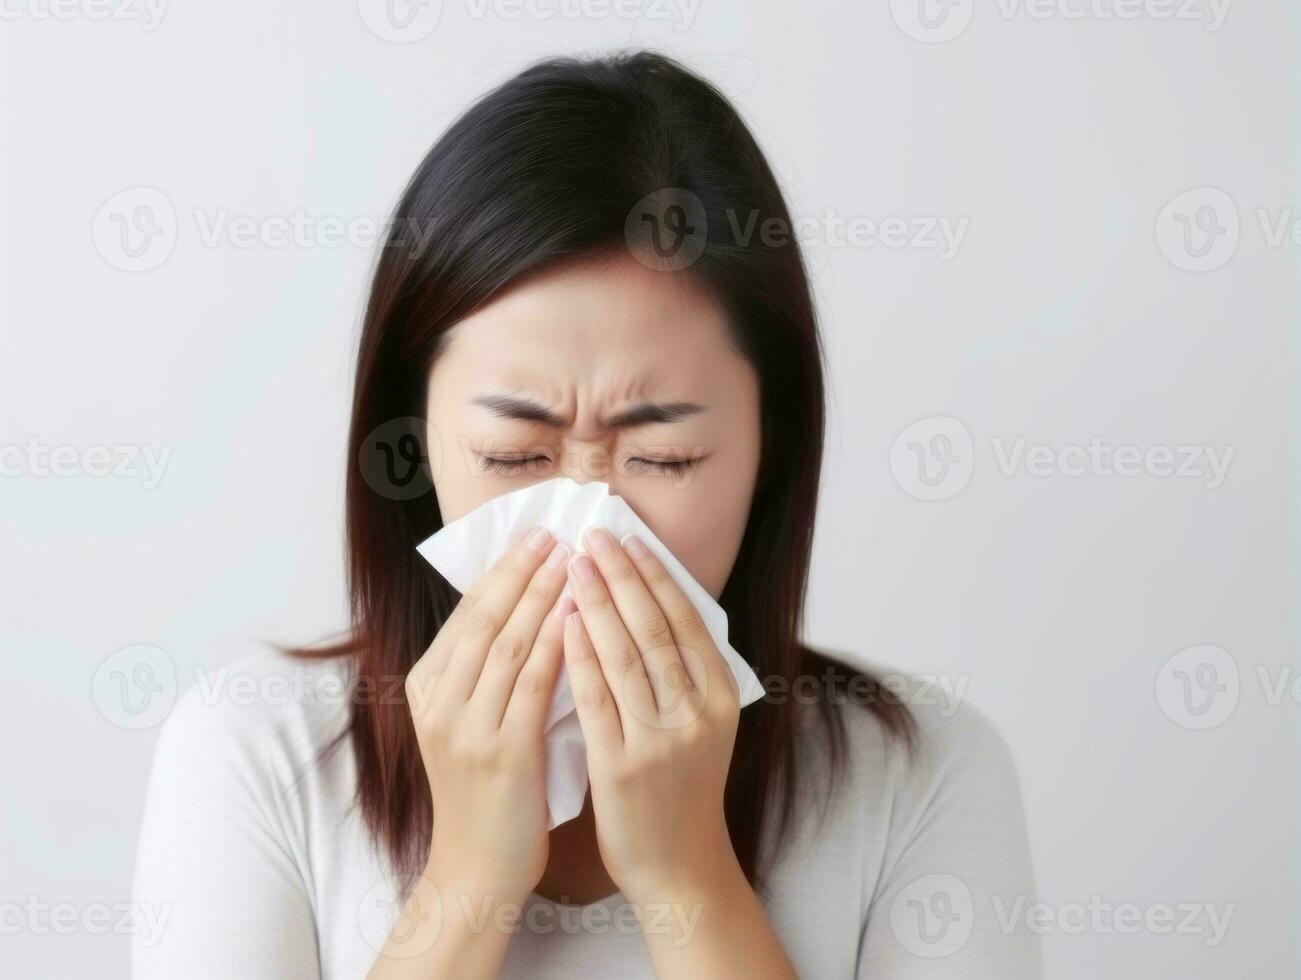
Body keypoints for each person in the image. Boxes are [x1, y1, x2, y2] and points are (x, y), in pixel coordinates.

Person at [132, 50, 1041, 978]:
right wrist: (468, 883)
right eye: (512, 457)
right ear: (415, 444)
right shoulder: (255, 753)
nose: (589, 528)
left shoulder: (919, 778)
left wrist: (688, 880)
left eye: (663, 458)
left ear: (770, 448)